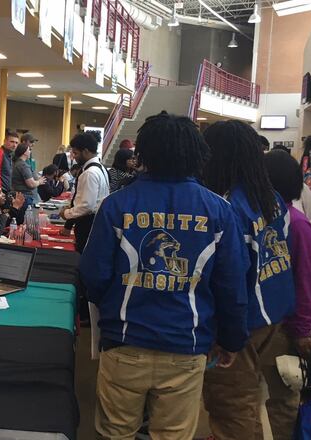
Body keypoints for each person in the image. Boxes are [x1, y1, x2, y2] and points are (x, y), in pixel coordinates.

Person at [81, 112, 249, 439]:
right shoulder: (218, 211)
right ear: (198, 154)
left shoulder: (117, 206)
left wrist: (117, 308)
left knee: (115, 433)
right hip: (186, 347)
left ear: (143, 154)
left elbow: (93, 275)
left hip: (125, 343)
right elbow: (231, 286)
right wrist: (231, 340)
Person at [201, 120, 295, 440]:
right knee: (247, 397)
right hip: (274, 312)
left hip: (243, 319)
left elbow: (230, 278)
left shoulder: (228, 205)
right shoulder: (271, 197)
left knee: (230, 404)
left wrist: (226, 335)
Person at [263, 150, 311, 439]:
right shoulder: (289, 222)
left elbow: (304, 279)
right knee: (271, 398)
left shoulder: (295, 224)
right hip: (263, 325)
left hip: (283, 328)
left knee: (282, 397)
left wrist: (302, 328)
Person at [60, 132, 109, 252]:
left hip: (88, 223)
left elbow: (87, 206)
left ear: (86, 151)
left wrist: (66, 213)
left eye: (76, 153)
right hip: (95, 221)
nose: (74, 157)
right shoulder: (100, 168)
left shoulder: (90, 173)